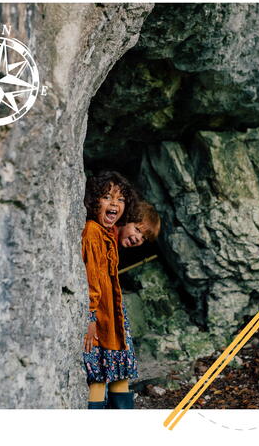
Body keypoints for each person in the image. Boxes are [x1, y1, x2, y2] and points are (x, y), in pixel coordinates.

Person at [81, 171, 139, 409]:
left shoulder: (108, 232)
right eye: (107, 197)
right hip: (102, 315)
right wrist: (91, 317)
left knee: (119, 372)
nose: (115, 203)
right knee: (98, 374)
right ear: (94, 200)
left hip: (113, 316)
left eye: (121, 199)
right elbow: (92, 277)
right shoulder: (93, 231)